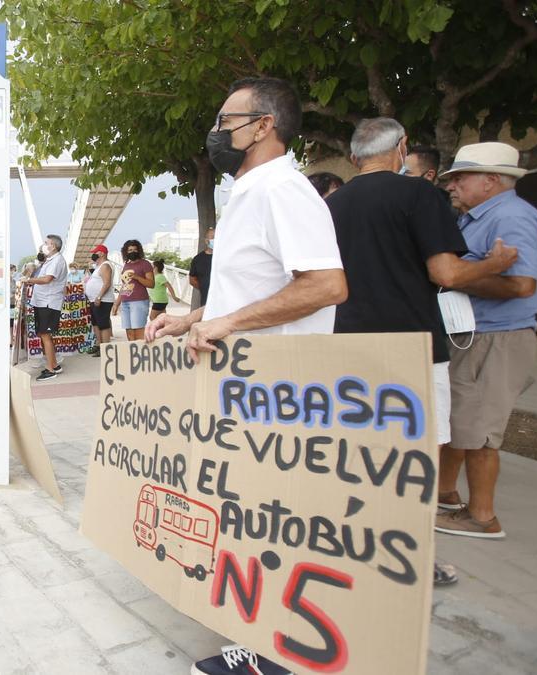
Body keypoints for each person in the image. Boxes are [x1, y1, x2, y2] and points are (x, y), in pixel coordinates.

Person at [140, 77, 347, 675]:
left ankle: (277, 654)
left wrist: (227, 322)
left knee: (274, 518)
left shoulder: (283, 190)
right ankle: (259, 639)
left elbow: (326, 284)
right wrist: (193, 318)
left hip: (278, 393)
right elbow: (253, 288)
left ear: (264, 126)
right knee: (248, 515)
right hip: (246, 389)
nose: (216, 131)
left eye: (227, 120)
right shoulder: (251, 194)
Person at [327, 118, 519, 586]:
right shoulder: (420, 196)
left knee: (354, 452)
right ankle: (408, 557)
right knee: (416, 454)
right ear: (402, 148)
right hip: (411, 347)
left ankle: (350, 546)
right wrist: (495, 265)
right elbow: (447, 274)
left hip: (343, 346)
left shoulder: (331, 205)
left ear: (354, 158)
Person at [436, 142, 537, 540]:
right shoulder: (476, 216)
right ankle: (445, 494)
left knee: (482, 430)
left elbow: (521, 283)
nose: (452, 184)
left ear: (491, 180)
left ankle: (482, 516)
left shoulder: (512, 217)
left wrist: (456, 277)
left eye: (460, 177)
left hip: (497, 335)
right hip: (475, 333)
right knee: (459, 421)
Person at [23, 234, 68, 381]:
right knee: (44, 335)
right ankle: (53, 364)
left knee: (45, 335)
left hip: (49, 303)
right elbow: (39, 272)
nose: (43, 245)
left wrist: (29, 280)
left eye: (46, 242)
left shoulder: (58, 261)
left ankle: (51, 369)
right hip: (42, 302)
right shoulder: (49, 260)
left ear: (53, 246)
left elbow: (48, 279)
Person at [110, 239, 153, 341]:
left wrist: (137, 277)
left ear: (139, 251)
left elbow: (151, 284)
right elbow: (124, 285)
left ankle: (141, 356)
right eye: (129, 250)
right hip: (125, 303)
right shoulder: (126, 265)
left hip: (139, 301)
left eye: (135, 249)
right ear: (126, 252)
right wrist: (116, 304)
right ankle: (132, 356)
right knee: (129, 334)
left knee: (138, 334)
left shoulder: (145, 264)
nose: (132, 252)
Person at [83, 244, 117, 357]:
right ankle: (99, 345)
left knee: (103, 324)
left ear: (101, 253)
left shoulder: (106, 266)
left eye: (96, 252)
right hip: (95, 299)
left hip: (103, 300)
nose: (94, 254)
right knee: (96, 323)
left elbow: (107, 283)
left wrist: (99, 297)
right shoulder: (99, 266)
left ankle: (106, 348)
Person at [188, 228, 214, 308]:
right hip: (206, 304)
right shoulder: (198, 259)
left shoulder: (227, 257)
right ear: (206, 241)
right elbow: (192, 280)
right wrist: (204, 287)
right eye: (213, 237)